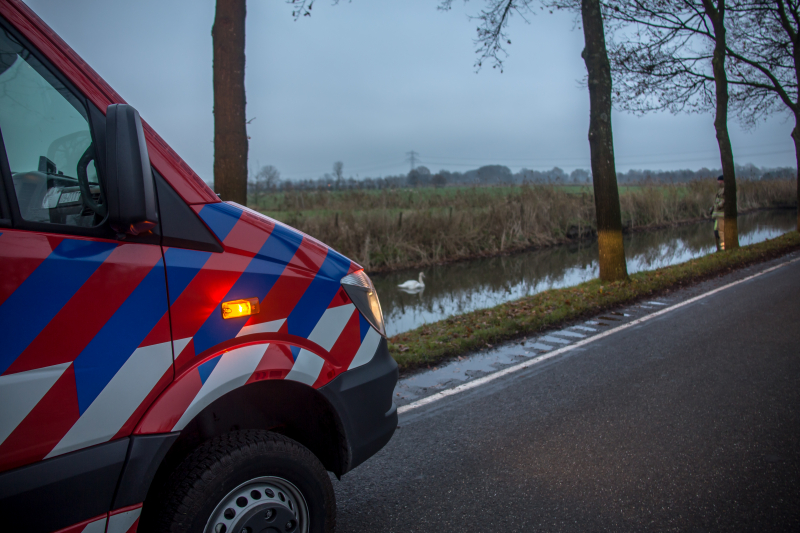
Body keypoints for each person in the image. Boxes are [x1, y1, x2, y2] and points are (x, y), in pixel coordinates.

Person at [709, 175, 725, 251]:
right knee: (716, 232)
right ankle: (719, 249)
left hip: (721, 214)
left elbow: (723, 201)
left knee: (720, 233)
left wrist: (718, 206)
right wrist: (712, 210)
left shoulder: (725, 190)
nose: (718, 182)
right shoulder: (720, 190)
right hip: (717, 214)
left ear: (722, 181)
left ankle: (723, 248)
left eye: (719, 181)